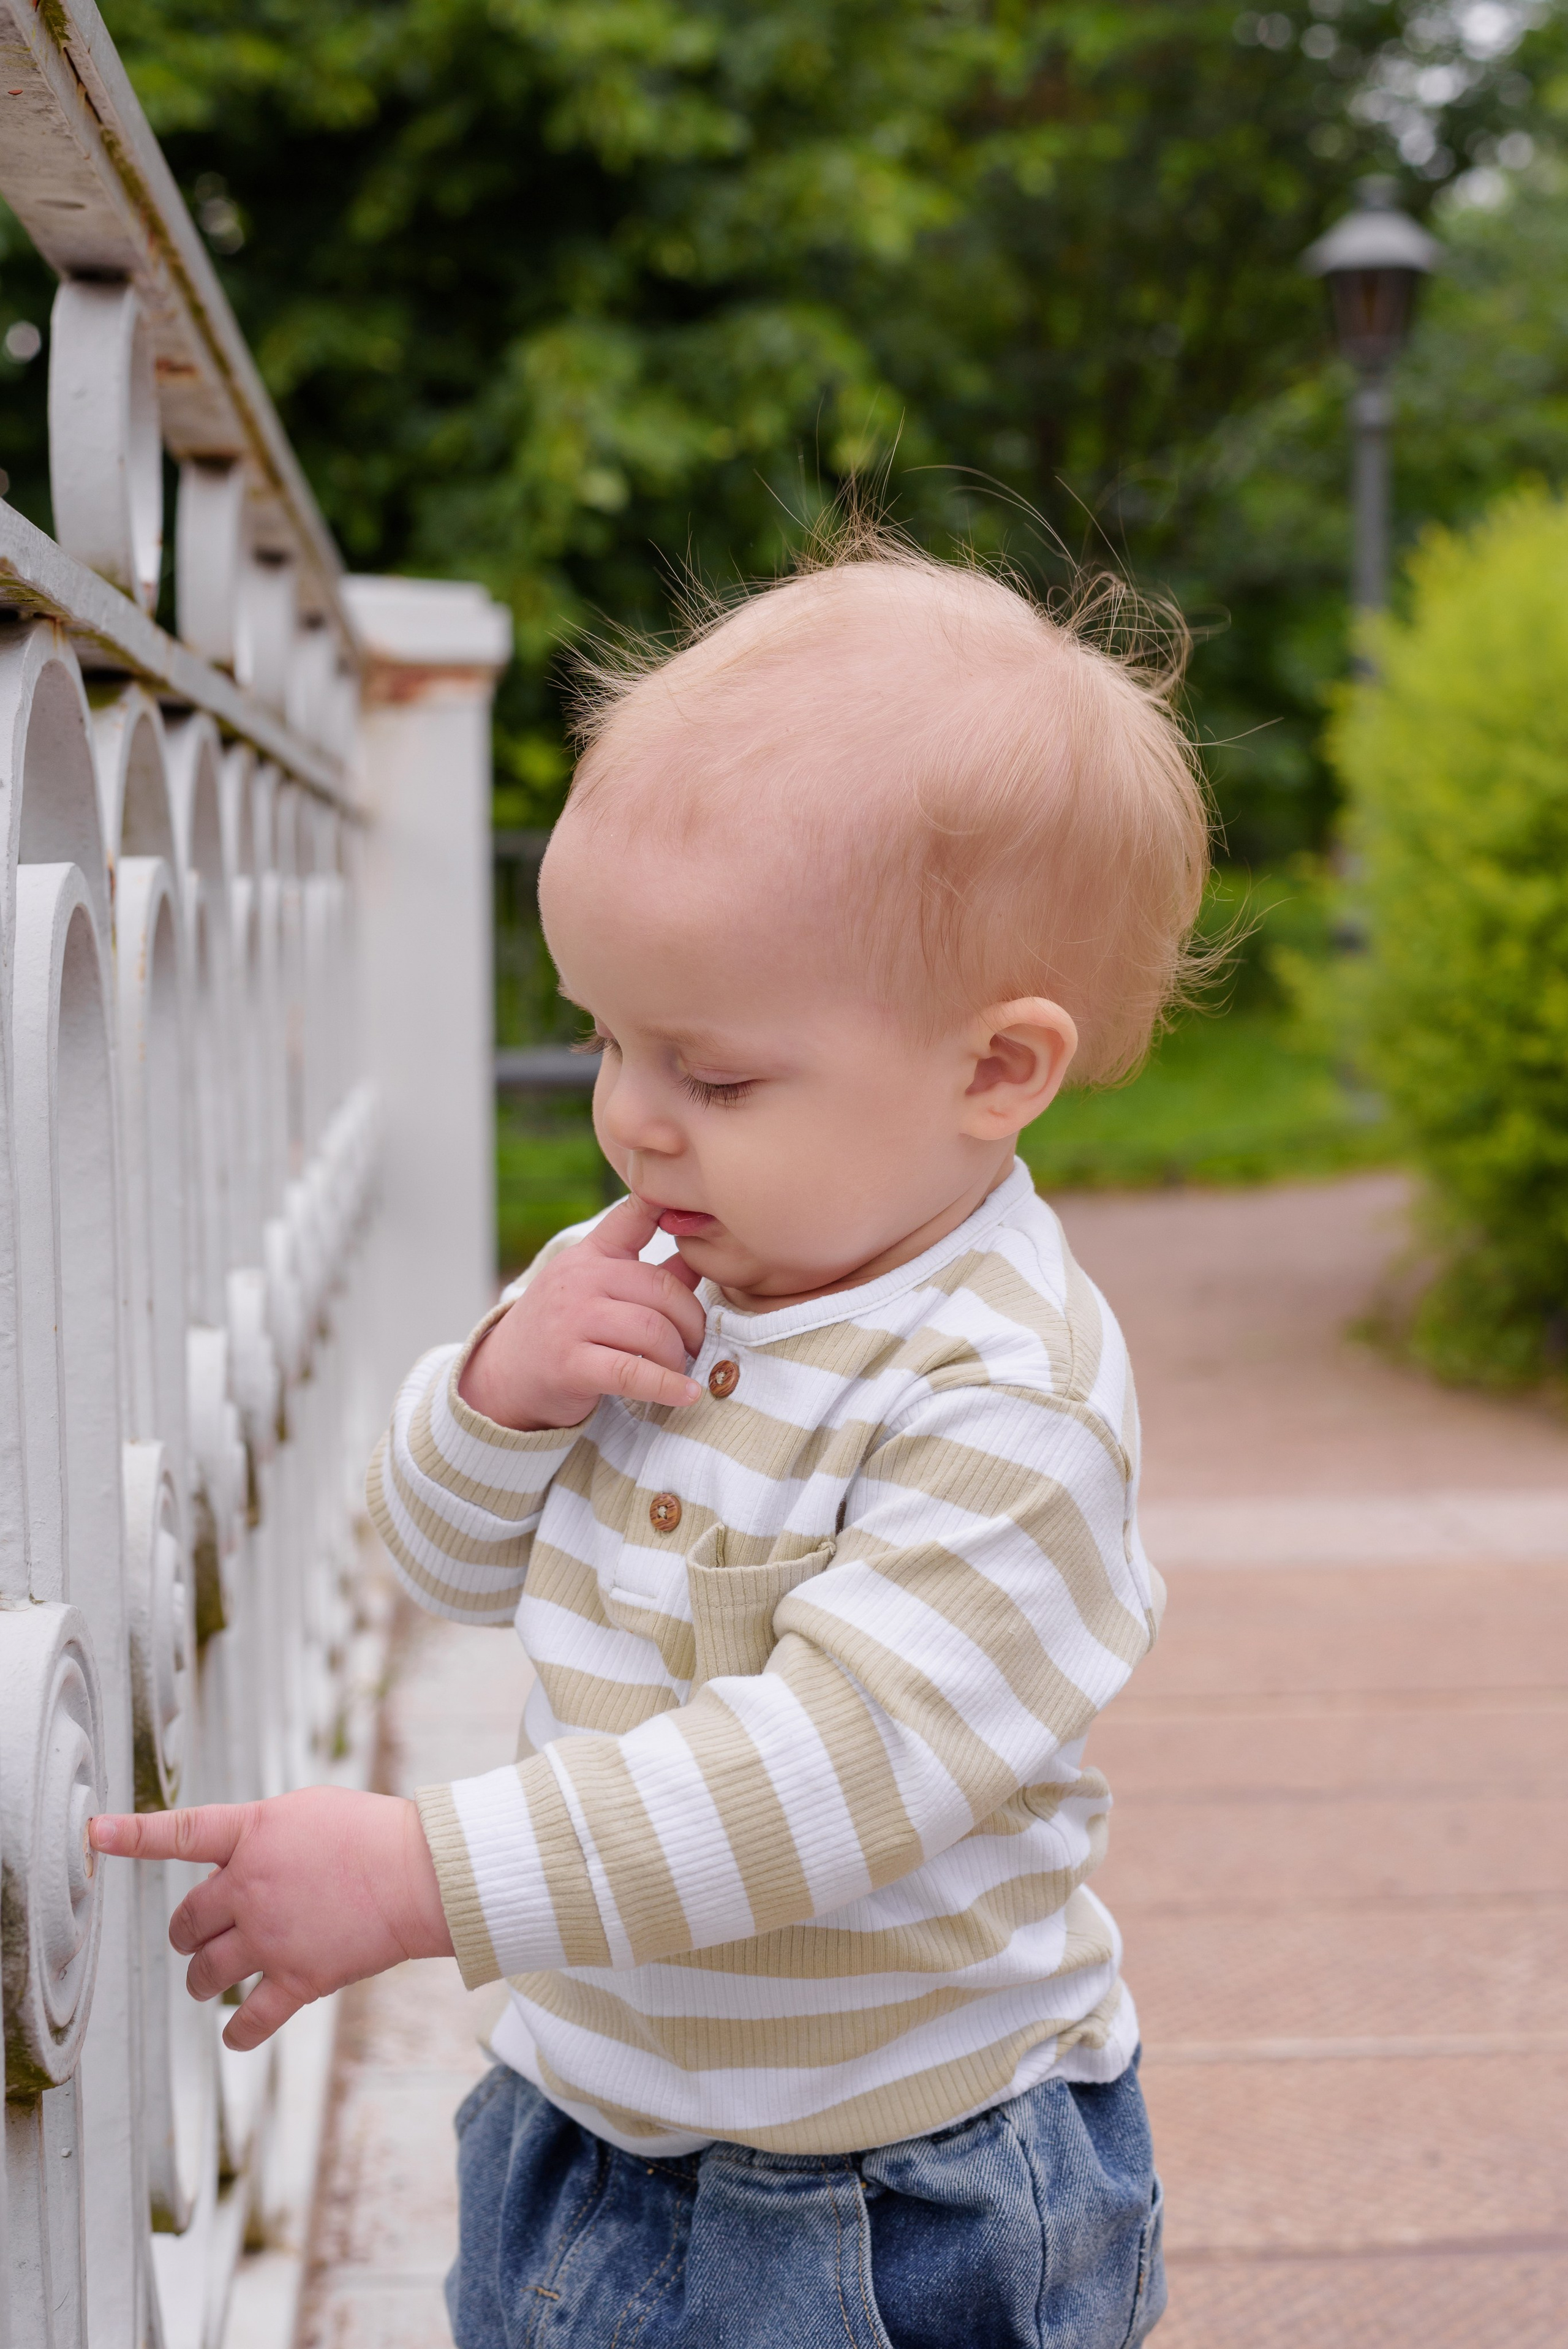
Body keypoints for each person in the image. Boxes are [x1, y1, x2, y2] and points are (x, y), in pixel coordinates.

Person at [93, 526, 1208, 2348]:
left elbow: (828, 1774)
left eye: (716, 1073)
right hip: (586, 2116)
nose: (636, 1123)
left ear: (996, 1070)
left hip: (889, 2191)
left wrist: (416, 1873)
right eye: (609, 1042)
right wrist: (497, 1397)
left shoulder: (1005, 1394)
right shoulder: (652, 1268)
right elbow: (451, 1560)